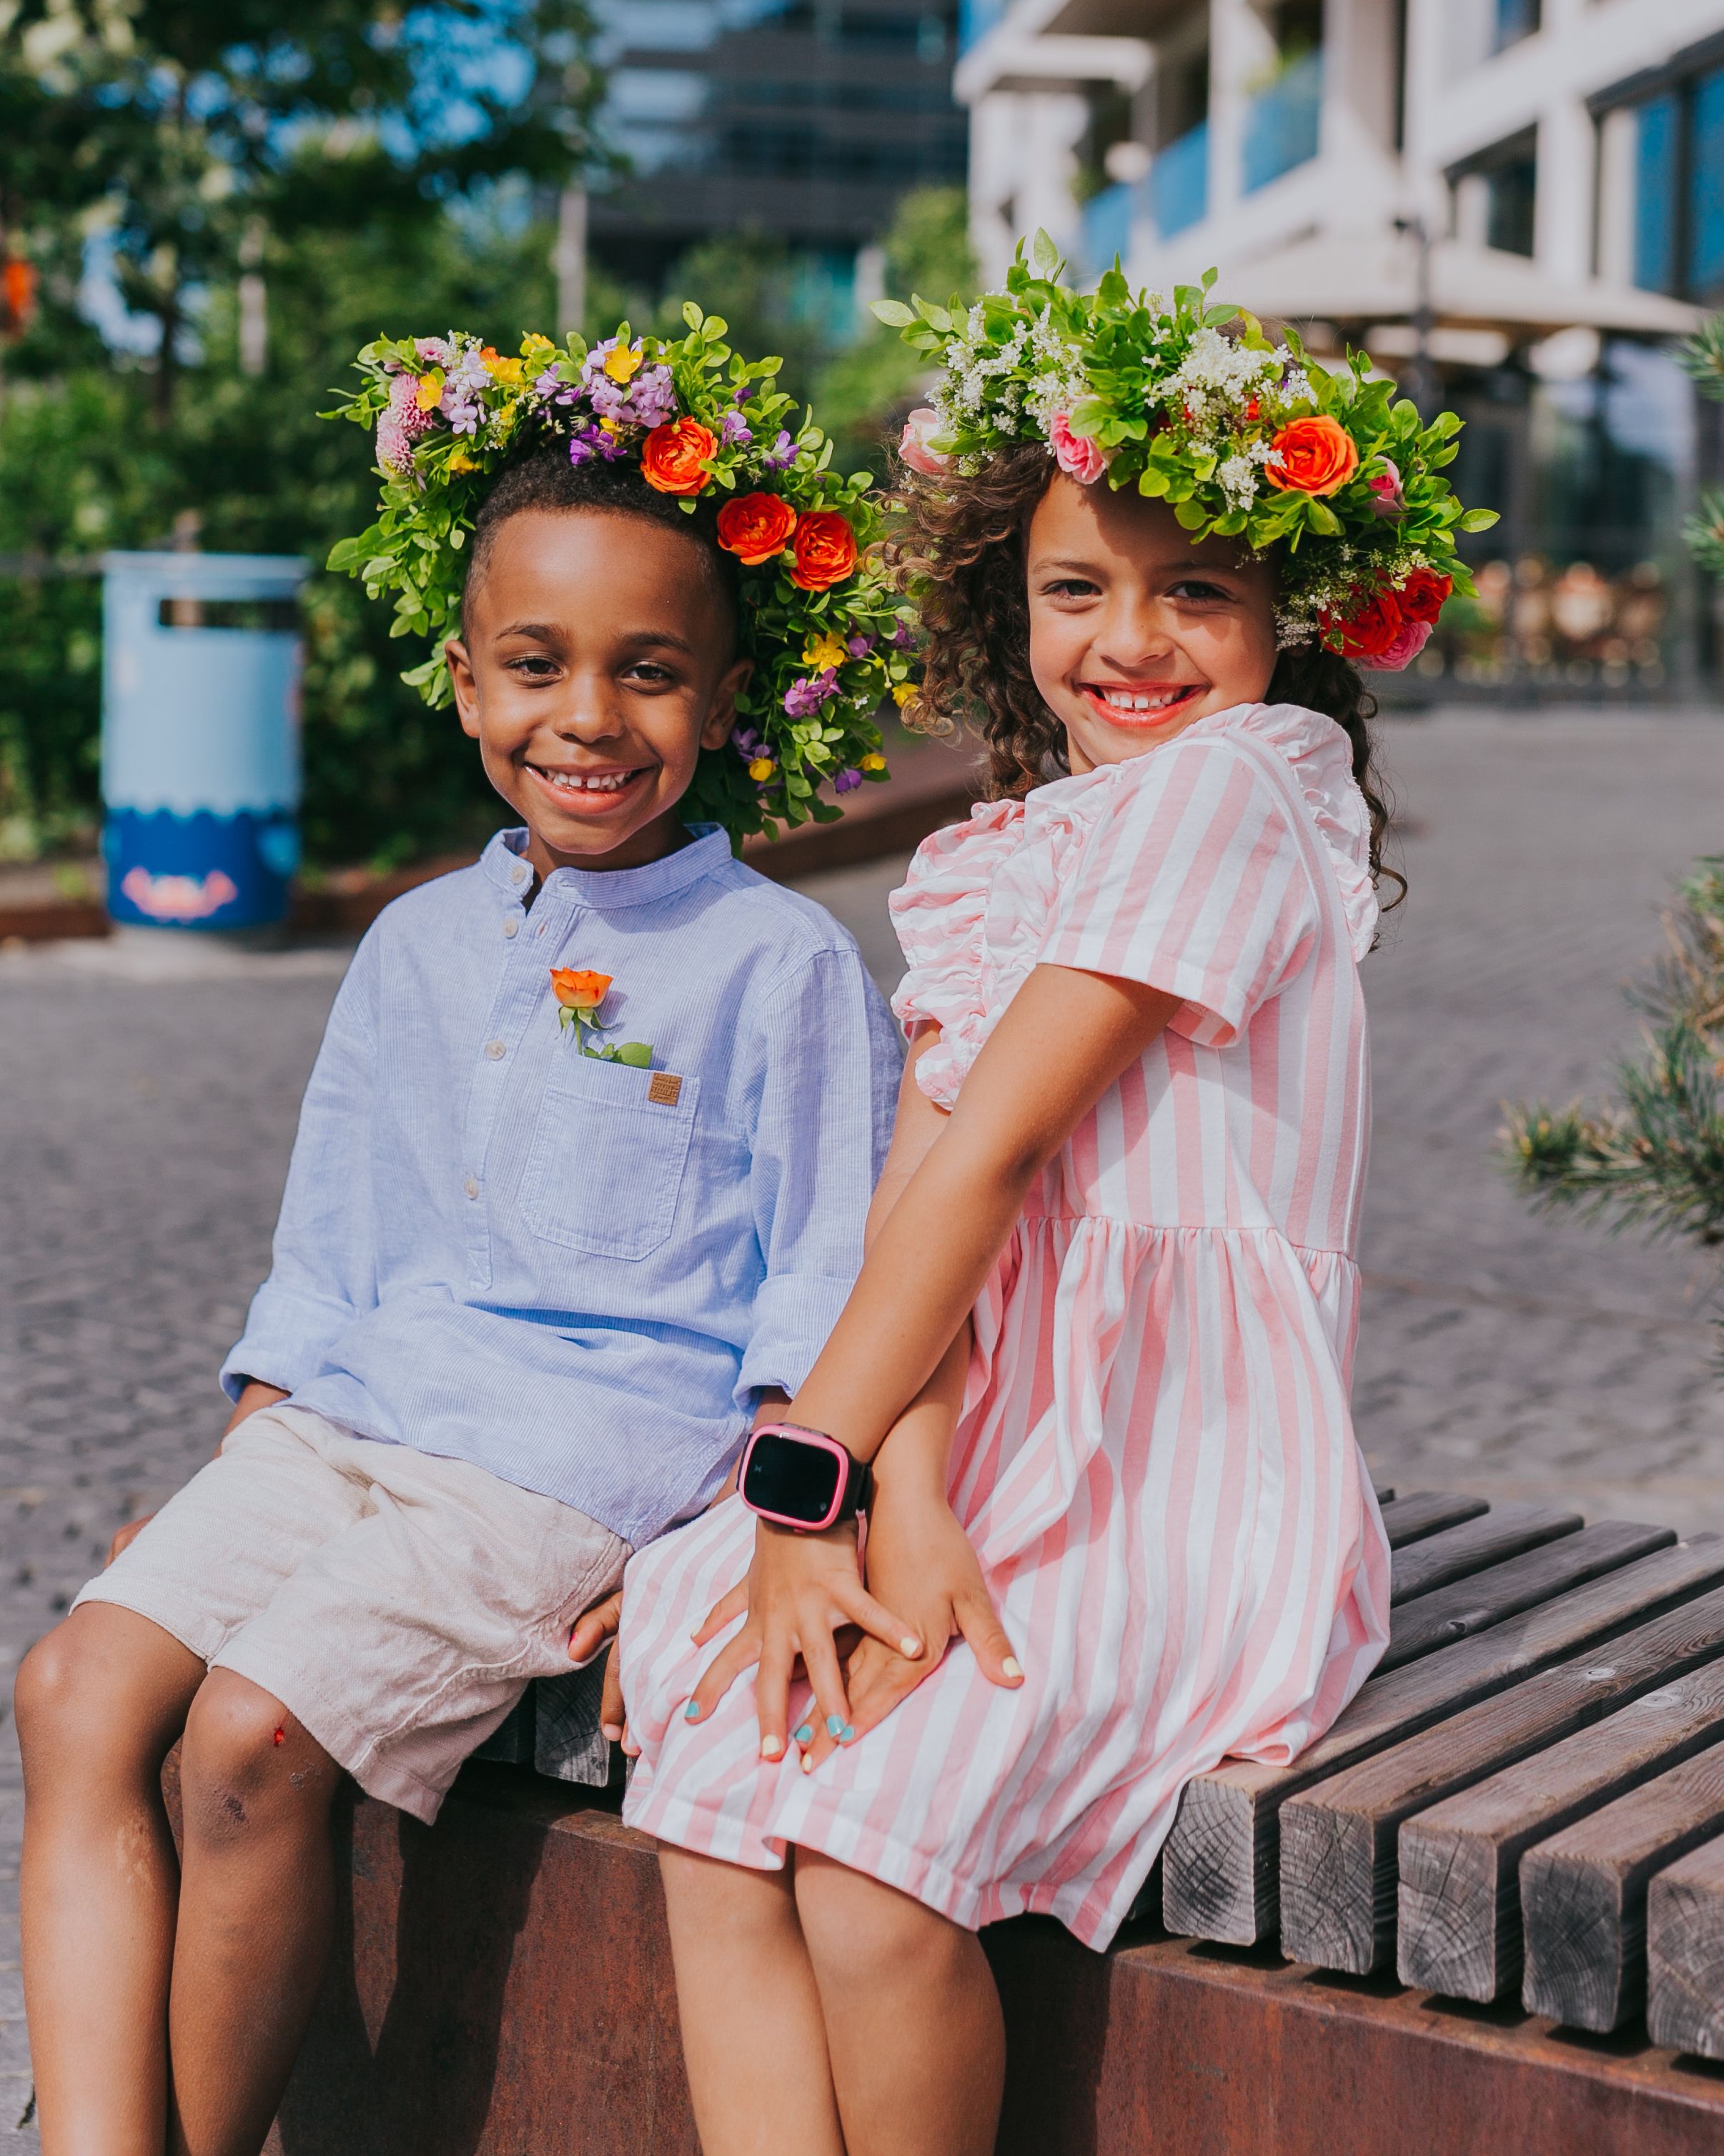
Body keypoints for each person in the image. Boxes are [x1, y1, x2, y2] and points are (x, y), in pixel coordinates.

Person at [615, 258, 1495, 2156]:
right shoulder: (993, 856)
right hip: (974, 1443)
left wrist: (804, 1478)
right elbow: (924, 1199)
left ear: (1286, 615)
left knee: (867, 1852)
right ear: (1001, 608)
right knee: (710, 1784)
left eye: (1200, 589)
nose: (1136, 641)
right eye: (1076, 589)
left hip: (1176, 1480)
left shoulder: (1246, 789)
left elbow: (1005, 1153)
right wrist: (883, 1489)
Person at [14, 317, 908, 2156]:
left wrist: (739, 1527)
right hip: (354, 1423)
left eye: (651, 670)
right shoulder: (418, 940)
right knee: (73, 1684)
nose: (591, 713)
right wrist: (249, 1440)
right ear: (466, 681)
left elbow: (827, 1281)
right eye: (538, 662)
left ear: (728, 698)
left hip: (567, 1468)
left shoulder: (781, 964)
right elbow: (333, 1234)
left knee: (249, 1737)